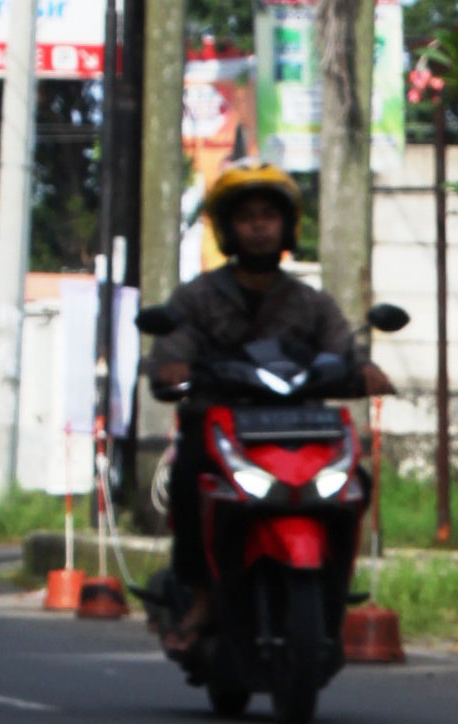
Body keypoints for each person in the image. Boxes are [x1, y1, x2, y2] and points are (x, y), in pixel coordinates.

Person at [144, 164, 391, 648]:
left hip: (300, 429)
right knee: (189, 478)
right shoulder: (196, 297)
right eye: (247, 217)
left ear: (287, 227)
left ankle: (332, 587)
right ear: (228, 229)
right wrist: (171, 367)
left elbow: (344, 348)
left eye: (268, 217)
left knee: (354, 483)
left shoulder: (310, 302)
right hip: (219, 424)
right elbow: (173, 345)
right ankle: (199, 597)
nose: (259, 226)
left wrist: (363, 370)